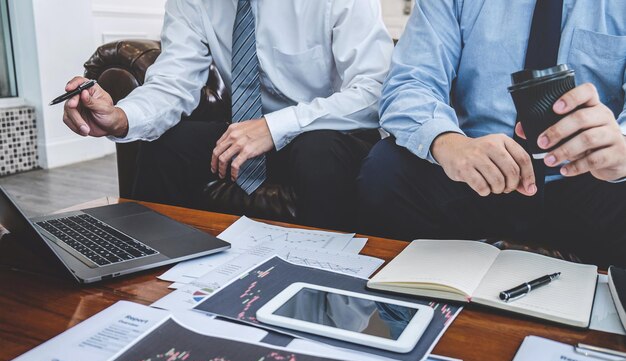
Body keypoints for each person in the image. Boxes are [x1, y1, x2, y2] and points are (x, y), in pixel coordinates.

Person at [62, 0, 393, 231]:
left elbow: (373, 93)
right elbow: (172, 82)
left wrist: (275, 128)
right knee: (166, 144)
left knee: (317, 151)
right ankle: (149, 274)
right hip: (247, 133)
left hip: (332, 131)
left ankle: (325, 281)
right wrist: (121, 116)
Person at [358, 0, 626, 266]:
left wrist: (620, 149)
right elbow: (411, 81)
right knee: (386, 168)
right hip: (480, 173)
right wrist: (449, 144)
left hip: (588, 179)